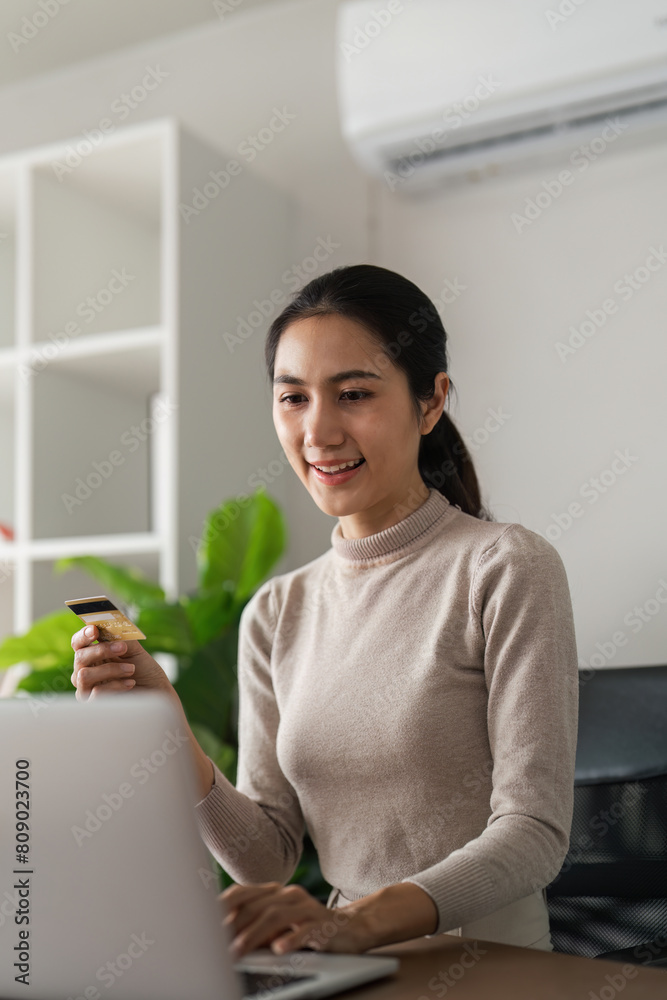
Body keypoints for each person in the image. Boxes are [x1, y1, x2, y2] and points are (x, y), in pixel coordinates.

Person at [70, 263, 579, 960]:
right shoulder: (276, 611)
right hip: (338, 959)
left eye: (354, 394)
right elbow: (267, 856)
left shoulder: (505, 568)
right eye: (293, 398)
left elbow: (534, 834)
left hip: (486, 960)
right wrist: (166, 729)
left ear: (430, 403)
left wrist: (363, 921)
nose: (319, 432)